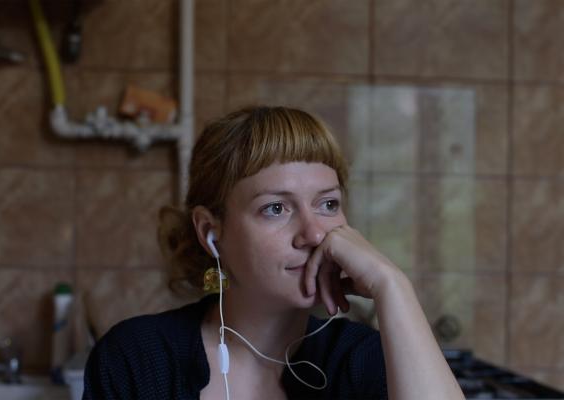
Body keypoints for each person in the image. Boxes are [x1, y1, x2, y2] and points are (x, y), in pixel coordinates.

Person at [83, 106, 465, 400]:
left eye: (328, 204)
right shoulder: (138, 358)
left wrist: (393, 286)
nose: (314, 233)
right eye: (276, 208)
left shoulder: (365, 360)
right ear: (211, 231)